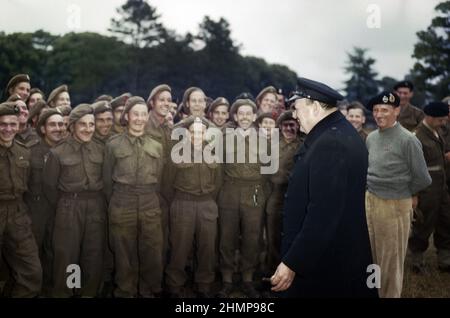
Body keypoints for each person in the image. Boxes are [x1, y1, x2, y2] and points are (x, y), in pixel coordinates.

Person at [270, 77, 377, 298]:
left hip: (325, 261)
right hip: (332, 253)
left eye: (297, 108)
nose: (295, 115)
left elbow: (322, 214)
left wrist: (293, 263)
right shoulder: (337, 132)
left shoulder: (332, 144)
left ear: (316, 107)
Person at [365, 91, 431, 298]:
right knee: (371, 255)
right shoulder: (372, 137)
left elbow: (423, 178)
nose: (379, 114)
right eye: (376, 110)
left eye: (384, 110)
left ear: (396, 110)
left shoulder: (408, 140)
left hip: (394, 205)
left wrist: (404, 193)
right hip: (371, 201)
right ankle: (373, 292)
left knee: (390, 261)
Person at [103, 96, 164, 298]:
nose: (139, 118)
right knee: (123, 251)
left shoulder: (156, 145)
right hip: (122, 201)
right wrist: (117, 202)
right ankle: (125, 291)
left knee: (152, 250)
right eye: (135, 114)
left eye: (143, 114)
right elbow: (106, 180)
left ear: (147, 117)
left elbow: (161, 177)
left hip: (149, 201)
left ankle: (148, 290)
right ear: (126, 116)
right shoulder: (113, 145)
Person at [43, 104, 106, 297]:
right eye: (83, 125)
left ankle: (86, 293)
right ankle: (67, 292)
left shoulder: (101, 149)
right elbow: (49, 188)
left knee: (92, 255)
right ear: (72, 126)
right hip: (69, 207)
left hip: (95, 206)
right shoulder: (58, 152)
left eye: (91, 124)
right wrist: (66, 205)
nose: (88, 129)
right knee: (68, 256)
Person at [163, 116, 222, 298]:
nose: (197, 135)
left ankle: (203, 285)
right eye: (193, 132)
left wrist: (208, 200)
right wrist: (178, 201)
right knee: (180, 248)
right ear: (187, 134)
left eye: (201, 132)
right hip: (183, 203)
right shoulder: (177, 152)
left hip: (206, 203)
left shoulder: (212, 153)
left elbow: (218, 181)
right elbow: (167, 183)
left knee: (207, 248)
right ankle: (174, 285)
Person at [217, 98, 268, 298]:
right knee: (227, 238)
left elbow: (267, 171)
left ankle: (247, 279)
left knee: (252, 237)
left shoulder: (264, 140)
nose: (245, 117)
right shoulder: (224, 137)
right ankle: (227, 280)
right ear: (235, 116)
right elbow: (218, 167)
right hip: (229, 191)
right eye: (241, 114)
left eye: (249, 113)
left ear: (254, 117)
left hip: (254, 191)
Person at [0, 102, 42, 297]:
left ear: (18, 125)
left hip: (17, 214)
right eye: (3, 124)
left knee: (32, 272)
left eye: (12, 124)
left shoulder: (24, 152)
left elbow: (30, 188)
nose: (8, 129)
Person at [25, 108, 65, 296]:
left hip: (61, 210)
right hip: (36, 210)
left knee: (55, 255)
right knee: (34, 257)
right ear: (42, 129)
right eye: (52, 125)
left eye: (61, 124)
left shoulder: (67, 149)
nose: (58, 128)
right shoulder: (31, 151)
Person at [408, 102, 450, 273]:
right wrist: (414, 195)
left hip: (442, 188)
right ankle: (417, 261)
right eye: (440, 120)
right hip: (426, 191)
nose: (443, 123)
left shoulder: (437, 132)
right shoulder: (417, 137)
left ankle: (445, 259)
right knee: (423, 226)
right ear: (430, 117)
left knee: (446, 222)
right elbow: (412, 169)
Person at [264, 111, 303, 277]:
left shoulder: (304, 145)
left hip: (296, 196)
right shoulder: (271, 145)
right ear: (280, 127)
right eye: (285, 125)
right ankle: (272, 272)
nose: (288, 128)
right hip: (275, 194)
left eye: (292, 125)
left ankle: (291, 274)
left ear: (297, 126)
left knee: (293, 236)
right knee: (273, 236)